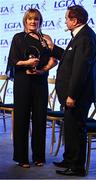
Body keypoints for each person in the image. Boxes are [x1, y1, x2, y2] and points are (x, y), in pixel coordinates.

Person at [45, 5, 96, 176]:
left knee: (76, 129)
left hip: (78, 96)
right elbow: (69, 58)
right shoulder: (80, 36)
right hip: (73, 95)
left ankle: (76, 167)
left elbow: (80, 69)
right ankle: (69, 159)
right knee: (69, 128)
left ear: (75, 21)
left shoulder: (85, 38)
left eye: (67, 18)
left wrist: (72, 95)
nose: (65, 21)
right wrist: (52, 47)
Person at [6, 8, 57, 168]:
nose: (33, 22)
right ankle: (21, 158)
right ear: (25, 21)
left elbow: (54, 60)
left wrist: (42, 70)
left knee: (40, 119)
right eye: (30, 19)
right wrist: (26, 63)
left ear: (40, 21)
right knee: (21, 119)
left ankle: (38, 157)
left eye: (36, 19)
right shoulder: (18, 38)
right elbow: (13, 61)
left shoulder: (46, 38)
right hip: (22, 82)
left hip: (40, 82)